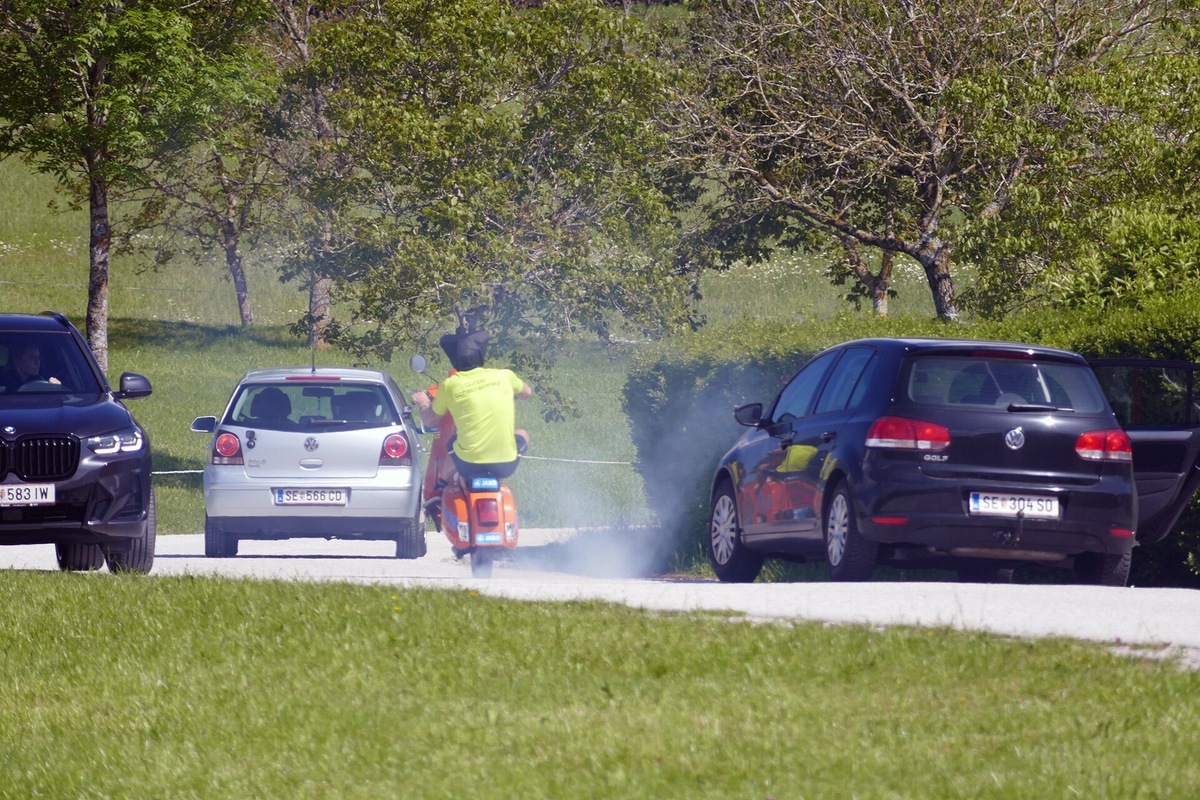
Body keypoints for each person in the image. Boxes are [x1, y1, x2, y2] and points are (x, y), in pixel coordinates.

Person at [412, 329, 531, 488]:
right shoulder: (505, 376)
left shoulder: (450, 385)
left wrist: (422, 402)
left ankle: (442, 485)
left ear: (454, 361)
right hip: (505, 466)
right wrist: (510, 394)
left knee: (452, 442)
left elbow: (430, 420)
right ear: (481, 356)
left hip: (468, 465)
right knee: (523, 434)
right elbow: (526, 393)